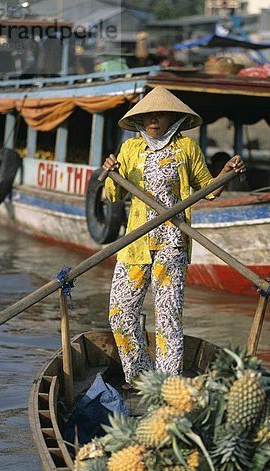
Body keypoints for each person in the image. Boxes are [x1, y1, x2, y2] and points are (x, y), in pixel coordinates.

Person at [103, 86, 245, 386]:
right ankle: (140, 377)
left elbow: (209, 190)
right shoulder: (130, 149)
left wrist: (227, 172)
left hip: (171, 242)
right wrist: (110, 171)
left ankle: (167, 387)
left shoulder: (186, 149)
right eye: (149, 115)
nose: (154, 119)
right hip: (136, 243)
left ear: (173, 117)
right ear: (140, 119)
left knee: (167, 318)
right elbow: (114, 195)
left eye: (161, 114)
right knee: (119, 312)